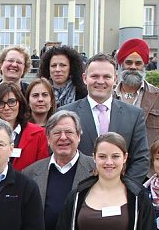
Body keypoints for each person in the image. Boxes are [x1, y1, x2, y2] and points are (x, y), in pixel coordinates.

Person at [59, 53, 150, 184]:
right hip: (77, 190)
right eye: (94, 76)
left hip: (120, 193)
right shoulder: (66, 113)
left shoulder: (134, 115)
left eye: (107, 76)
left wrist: (123, 188)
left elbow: (141, 158)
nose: (100, 81)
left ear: (116, 79)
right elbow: (60, 155)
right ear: (85, 78)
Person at [115, 38, 159, 147]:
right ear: (121, 65)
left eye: (138, 63)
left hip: (150, 163)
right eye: (128, 62)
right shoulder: (108, 97)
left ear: (144, 65)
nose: (133, 67)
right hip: (114, 163)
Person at [0, 82, 49, 171]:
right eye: (0, 103)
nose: (6, 108)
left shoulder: (38, 134)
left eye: (11, 102)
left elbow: (41, 170)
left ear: (20, 103)